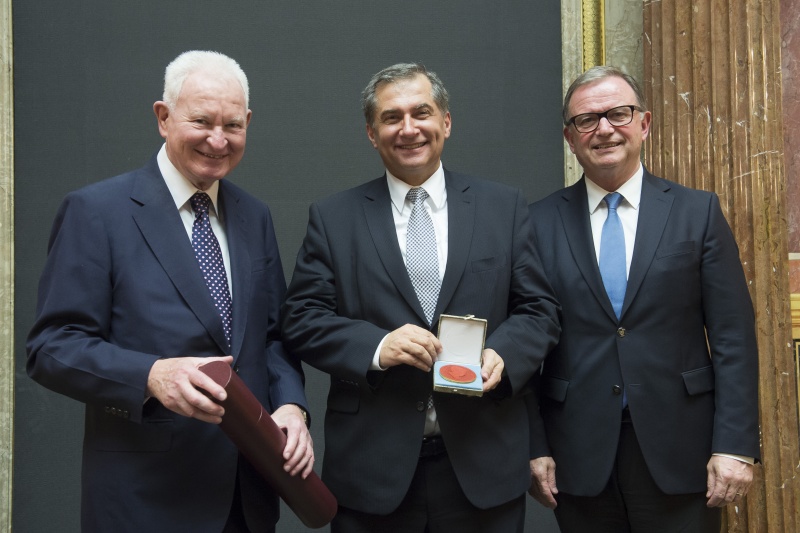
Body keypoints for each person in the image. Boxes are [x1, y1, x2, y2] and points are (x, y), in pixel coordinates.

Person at [26, 50, 313, 533]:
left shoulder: (254, 216)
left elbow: (272, 336)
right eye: (201, 121)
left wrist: (291, 405)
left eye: (233, 126)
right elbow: (51, 348)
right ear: (163, 117)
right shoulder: (96, 212)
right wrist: (151, 374)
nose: (218, 140)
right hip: (144, 500)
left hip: (247, 499)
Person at [280, 62, 560, 533]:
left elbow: (539, 310)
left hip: (482, 464)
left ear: (445, 122)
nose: (408, 128)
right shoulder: (334, 218)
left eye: (421, 113)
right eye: (391, 117)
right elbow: (301, 319)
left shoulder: (502, 207)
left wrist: (503, 355)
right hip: (374, 473)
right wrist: (375, 347)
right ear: (372, 133)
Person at [526, 65, 760, 532]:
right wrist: (534, 445)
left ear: (644, 123)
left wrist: (735, 445)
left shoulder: (698, 213)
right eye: (587, 120)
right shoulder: (536, 223)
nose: (605, 129)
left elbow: (733, 337)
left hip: (684, 448)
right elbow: (528, 342)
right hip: (577, 453)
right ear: (570, 138)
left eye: (618, 113)